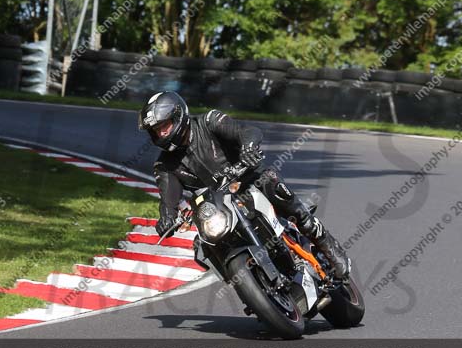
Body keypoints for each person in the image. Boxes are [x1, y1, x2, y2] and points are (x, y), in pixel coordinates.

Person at [138, 90, 350, 279]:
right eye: (156, 130)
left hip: (247, 180)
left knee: (272, 184)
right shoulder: (164, 165)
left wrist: (248, 147)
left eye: (164, 126)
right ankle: (253, 283)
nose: (161, 133)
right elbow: (168, 199)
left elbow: (247, 131)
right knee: (203, 245)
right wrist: (166, 218)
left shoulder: (209, 121)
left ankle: (326, 243)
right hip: (218, 206)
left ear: (179, 116)